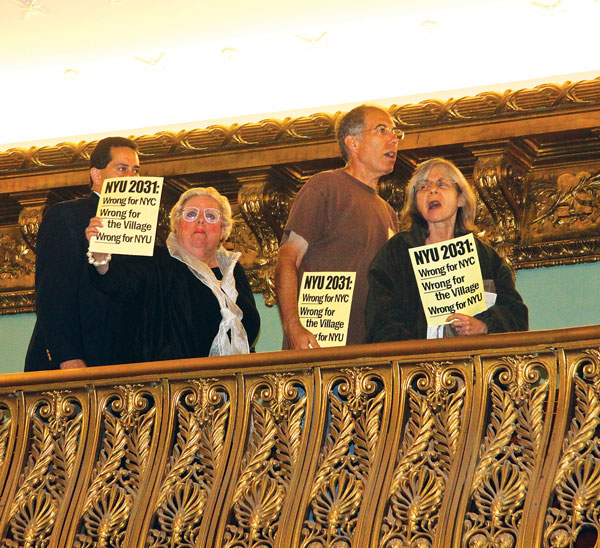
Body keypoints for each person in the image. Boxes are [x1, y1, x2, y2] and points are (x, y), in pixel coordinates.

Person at [85, 187, 260, 362]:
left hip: (233, 381)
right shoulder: (157, 262)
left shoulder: (233, 269)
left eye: (211, 216)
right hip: (172, 382)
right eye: (191, 214)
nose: (200, 221)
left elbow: (250, 326)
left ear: (223, 230)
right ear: (176, 225)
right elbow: (117, 283)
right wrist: (101, 258)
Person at [275, 104, 400, 349]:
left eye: (395, 133)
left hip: (369, 357)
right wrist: (293, 326)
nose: (393, 139)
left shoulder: (389, 213)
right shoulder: (325, 187)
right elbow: (288, 258)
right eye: (382, 130)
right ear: (352, 143)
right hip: (318, 354)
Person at [365, 157, 528, 342]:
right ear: (415, 202)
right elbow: (381, 320)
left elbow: (516, 315)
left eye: (442, 184)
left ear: (460, 198)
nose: (432, 190)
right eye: (423, 187)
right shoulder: (396, 253)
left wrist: (484, 325)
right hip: (415, 366)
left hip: (473, 365)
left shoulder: (484, 256)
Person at [25, 137, 140, 372]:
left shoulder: (143, 225)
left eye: (136, 170)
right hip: (79, 359)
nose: (131, 177)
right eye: (122, 169)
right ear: (97, 176)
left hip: (124, 359)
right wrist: (68, 355)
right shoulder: (67, 216)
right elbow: (53, 292)